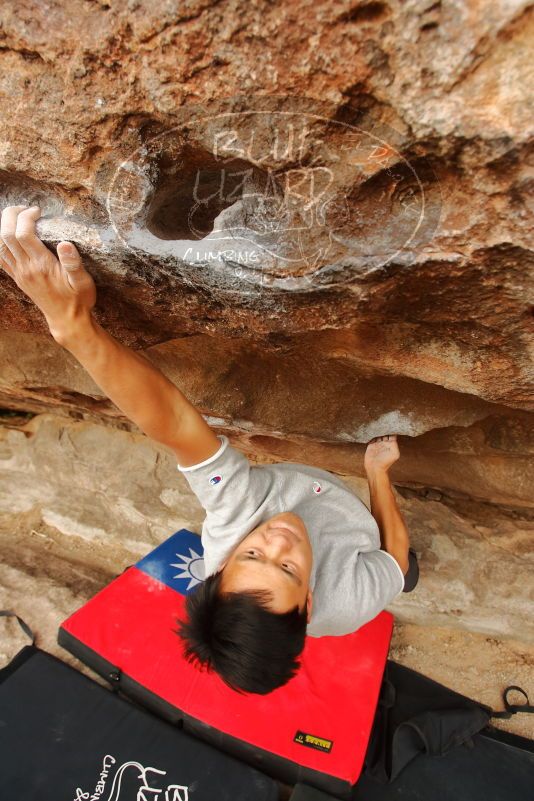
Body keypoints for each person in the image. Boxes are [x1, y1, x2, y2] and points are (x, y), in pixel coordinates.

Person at [0, 204, 418, 696]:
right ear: (309, 602)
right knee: (402, 570)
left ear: (220, 567)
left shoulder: (232, 518)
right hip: (362, 543)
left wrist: (75, 326)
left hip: (311, 523)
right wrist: (377, 476)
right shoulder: (349, 602)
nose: (279, 538)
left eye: (253, 554)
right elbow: (391, 551)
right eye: (287, 568)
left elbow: (175, 423)